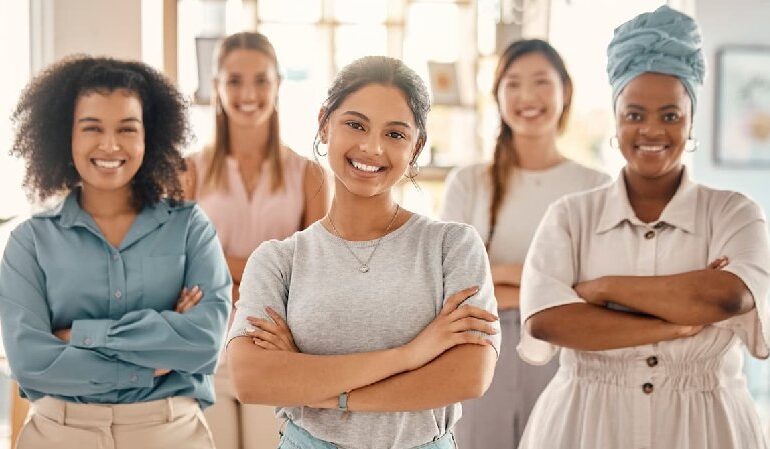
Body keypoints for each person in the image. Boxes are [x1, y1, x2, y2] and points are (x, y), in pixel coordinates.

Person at [517, 6, 770, 448]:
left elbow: (728, 295)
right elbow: (548, 321)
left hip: (706, 426)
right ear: (615, 119)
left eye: (670, 115)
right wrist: (676, 324)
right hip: (586, 423)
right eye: (635, 114)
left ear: (691, 118)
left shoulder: (734, 212)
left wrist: (604, 289)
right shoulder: (570, 216)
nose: (651, 129)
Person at [226, 56, 501, 448]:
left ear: (416, 146)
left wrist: (317, 385)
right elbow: (252, 379)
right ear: (325, 125)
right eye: (355, 125)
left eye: (395, 134)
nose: (371, 147)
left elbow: (468, 375)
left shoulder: (451, 246)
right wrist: (411, 355)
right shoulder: (278, 260)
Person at [0, 56, 231, 449]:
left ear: (149, 136)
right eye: (92, 128)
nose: (110, 145)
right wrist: (155, 356)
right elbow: (31, 363)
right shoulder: (29, 242)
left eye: (127, 128)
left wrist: (81, 336)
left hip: (170, 433)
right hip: (61, 434)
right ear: (65, 135)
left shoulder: (189, 227)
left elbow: (205, 341)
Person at [440, 39, 609, 449]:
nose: (527, 96)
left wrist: (494, 275)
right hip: (478, 347)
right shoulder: (467, 182)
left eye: (541, 82)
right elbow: (453, 288)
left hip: (566, 354)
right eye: (513, 84)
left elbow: (595, 292)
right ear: (497, 95)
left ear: (565, 91)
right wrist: (549, 284)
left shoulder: (595, 187)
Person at [182, 31, 329, 449]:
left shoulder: (310, 175)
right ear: (216, 87)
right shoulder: (188, 172)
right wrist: (269, 271)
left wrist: (219, 269)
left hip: (275, 347)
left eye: (260, 80)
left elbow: (314, 269)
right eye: (234, 81)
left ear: (278, 84)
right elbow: (178, 265)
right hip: (204, 347)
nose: (248, 93)